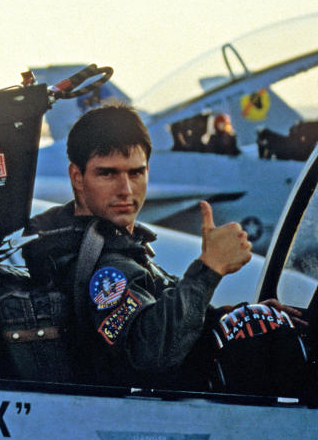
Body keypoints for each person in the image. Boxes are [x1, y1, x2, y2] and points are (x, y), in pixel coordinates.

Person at [22, 104, 303, 389]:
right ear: (77, 177)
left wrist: (230, 315)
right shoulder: (99, 267)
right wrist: (209, 268)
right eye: (107, 174)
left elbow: (158, 311)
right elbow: (151, 352)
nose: (126, 190)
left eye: (136, 173)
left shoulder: (112, 245)